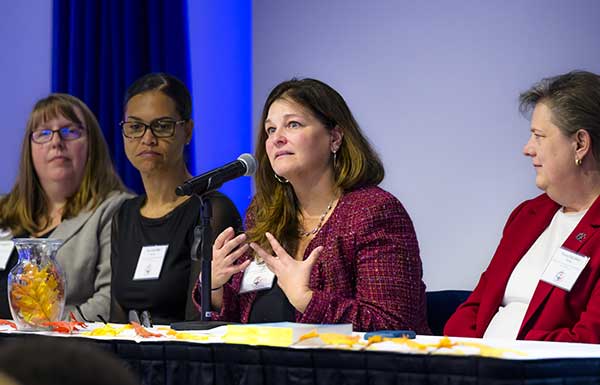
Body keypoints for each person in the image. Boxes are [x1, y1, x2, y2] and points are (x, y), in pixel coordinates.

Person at [194, 78, 429, 333]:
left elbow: (392, 326)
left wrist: (307, 299)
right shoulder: (265, 214)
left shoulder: (373, 211)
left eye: (293, 124)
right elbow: (243, 319)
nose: (276, 139)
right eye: (271, 130)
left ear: (335, 137)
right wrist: (216, 286)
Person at [444, 70, 600, 343]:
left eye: (539, 136)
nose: (527, 149)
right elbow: (475, 308)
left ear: (580, 144)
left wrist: (509, 355)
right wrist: (465, 355)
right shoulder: (527, 215)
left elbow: (589, 338)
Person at [110, 73, 242, 324]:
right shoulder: (123, 214)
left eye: (162, 126)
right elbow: (116, 315)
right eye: (135, 127)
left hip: (184, 356)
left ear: (188, 131)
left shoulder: (211, 208)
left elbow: (200, 316)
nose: (147, 139)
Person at [0, 94, 129, 322]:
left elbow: (110, 301)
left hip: (64, 350)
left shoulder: (115, 210)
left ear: (92, 145)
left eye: (70, 131)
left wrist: (47, 330)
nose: (56, 142)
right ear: (29, 149)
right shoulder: (4, 211)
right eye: (44, 133)